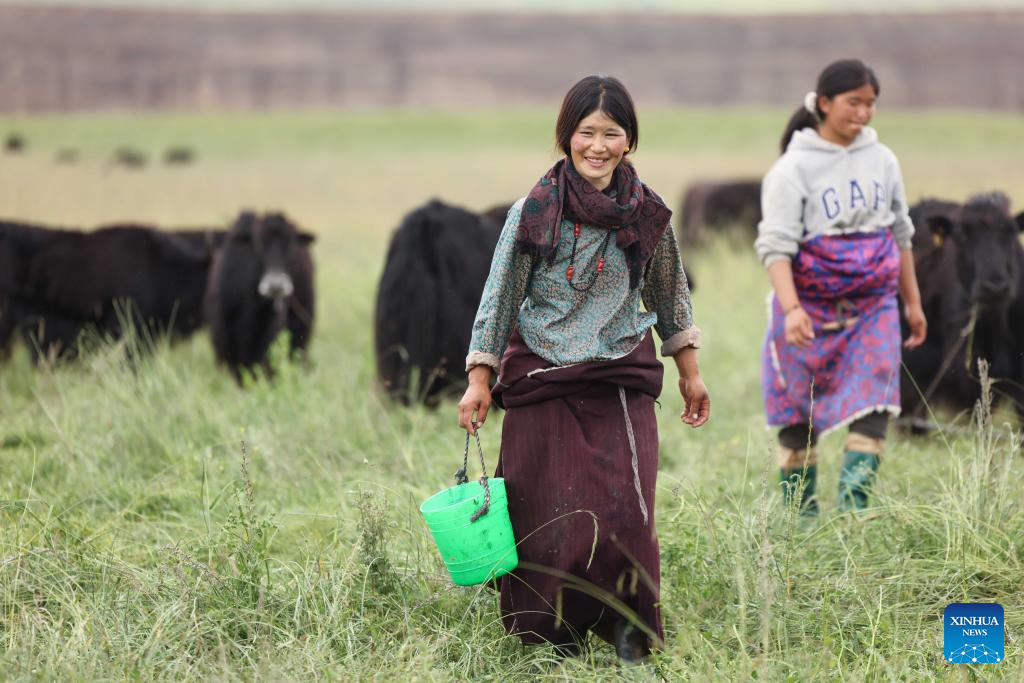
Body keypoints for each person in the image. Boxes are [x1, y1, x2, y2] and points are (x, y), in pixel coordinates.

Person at [457, 75, 710, 661]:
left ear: (630, 141)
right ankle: (552, 643)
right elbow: (499, 297)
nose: (597, 146)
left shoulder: (647, 213)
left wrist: (692, 374)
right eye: (586, 132)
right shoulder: (533, 212)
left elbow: (672, 297)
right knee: (545, 516)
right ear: (566, 137)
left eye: (611, 134)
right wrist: (478, 381)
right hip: (541, 377)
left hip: (618, 375)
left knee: (625, 512)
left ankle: (628, 636)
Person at [754, 59, 927, 515]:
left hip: (873, 306)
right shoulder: (792, 169)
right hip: (807, 307)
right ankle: (801, 515)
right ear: (825, 103)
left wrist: (912, 301)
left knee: (875, 402)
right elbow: (776, 248)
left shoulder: (883, 159)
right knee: (797, 411)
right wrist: (792, 310)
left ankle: (855, 511)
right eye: (854, 102)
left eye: (871, 104)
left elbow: (901, 234)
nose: (864, 113)